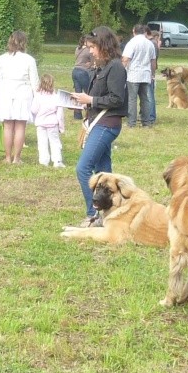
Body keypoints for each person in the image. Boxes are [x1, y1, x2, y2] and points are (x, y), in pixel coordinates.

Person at [71, 26, 128, 226]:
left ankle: (94, 213)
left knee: (83, 168)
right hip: (99, 121)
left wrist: (91, 100)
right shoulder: (102, 66)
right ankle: (112, 214)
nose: (91, 51)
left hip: (107, 123)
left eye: (93, 47)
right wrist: (84, 101)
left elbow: (116, 98)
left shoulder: (116, 67)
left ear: (103, 45)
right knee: (104, 173)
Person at [0, 30, 39, 164]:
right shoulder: (29, 60)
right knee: (20, 127)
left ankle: (7, 157)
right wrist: (38, 100)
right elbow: (35, 82)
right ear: (24, 43)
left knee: (7, 126)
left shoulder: (2, 58)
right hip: (23, 94)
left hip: (6, 93)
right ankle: (16, 158)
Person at [122, 24, 157, 128]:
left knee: (132, 99)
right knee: (145, 99)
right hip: (146, 74)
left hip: (133, 74)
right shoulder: (150, 43)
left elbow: (126, 58)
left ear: (134, 31)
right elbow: (153, 61)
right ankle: (146, 122)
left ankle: (131, 122)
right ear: (144, 32)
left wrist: (121, 70)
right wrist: (152, 73)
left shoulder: (132, 42)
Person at [30, 73, 65, 167]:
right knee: (55, 142)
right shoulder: (56, 96)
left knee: (42, 142)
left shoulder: (37, 96)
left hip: (41, 123)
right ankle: (57, 161)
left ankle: (44, 161)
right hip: (53, 123)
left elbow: (33, 109)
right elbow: (60, 114)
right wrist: (61, 127)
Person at [72, 37, 93, 120]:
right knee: (88, 93)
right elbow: (93, 61)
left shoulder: (77, 48)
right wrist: (90, 64)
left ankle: (77, 115)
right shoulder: (88, 50)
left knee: (77, 94)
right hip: (83, 72)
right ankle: (90, 113)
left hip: (75, 71)